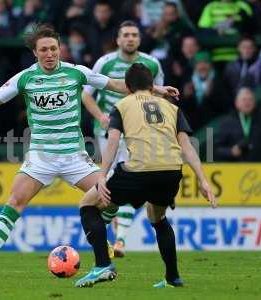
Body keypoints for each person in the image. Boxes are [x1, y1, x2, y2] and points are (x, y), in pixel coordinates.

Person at [0, 24, 179, 278]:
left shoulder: (77, 73)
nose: (50, 54)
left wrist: (157, 89)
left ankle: (102, 238)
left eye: (54, 48)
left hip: (74, 157)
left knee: (111, 198)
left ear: (60, 49)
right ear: (35, 52)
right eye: (44, 50)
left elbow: (116, 85)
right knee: (14, 202)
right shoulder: (26, 78)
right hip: (41, 158)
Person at [75, 63, 217, 288]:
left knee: (87, 204)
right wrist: (203, 179)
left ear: (128, 87)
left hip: (139, 170)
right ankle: (173, 278)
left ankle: (103, 265)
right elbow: (187, 146)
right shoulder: (171, 108)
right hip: (171, 172)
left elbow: (112, 142)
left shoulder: (122, 105)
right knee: (157, 216)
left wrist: (102, 175)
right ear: (152, 86)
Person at [82, 20, 164, 257]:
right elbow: (86, 95)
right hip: (107, 132)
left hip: (136, 130)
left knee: (126, 178)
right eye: (125, 34)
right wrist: (100, 116)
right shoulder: (105, 63)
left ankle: (118, 241)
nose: (130, 38)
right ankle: (111, 237)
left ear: (139, 39)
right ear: (118, 39)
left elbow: (158, 97)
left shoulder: (151, 63)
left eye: (134, 35)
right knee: (113, 180)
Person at [215, 87, 261, 162]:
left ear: (254, 103)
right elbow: (217, 150)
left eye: (250, 99)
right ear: (236, 103)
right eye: (244, 99)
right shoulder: (226, 122)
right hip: (236, 170)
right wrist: (231, 152)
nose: (247, 102)